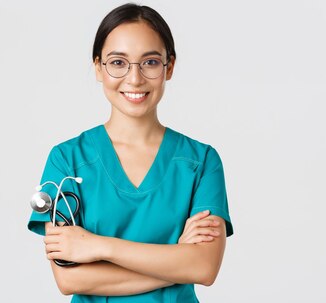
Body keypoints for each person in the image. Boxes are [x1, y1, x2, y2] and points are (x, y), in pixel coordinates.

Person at [26, 3, 234, 302]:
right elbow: (70, 278)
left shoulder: (201, 162)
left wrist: (98, 246)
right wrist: (177, 259)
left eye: (149, 62)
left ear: (169, 67)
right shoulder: (67, 160)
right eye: (118, 62)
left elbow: (204, 268)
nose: (134, 79)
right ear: (98, 67)